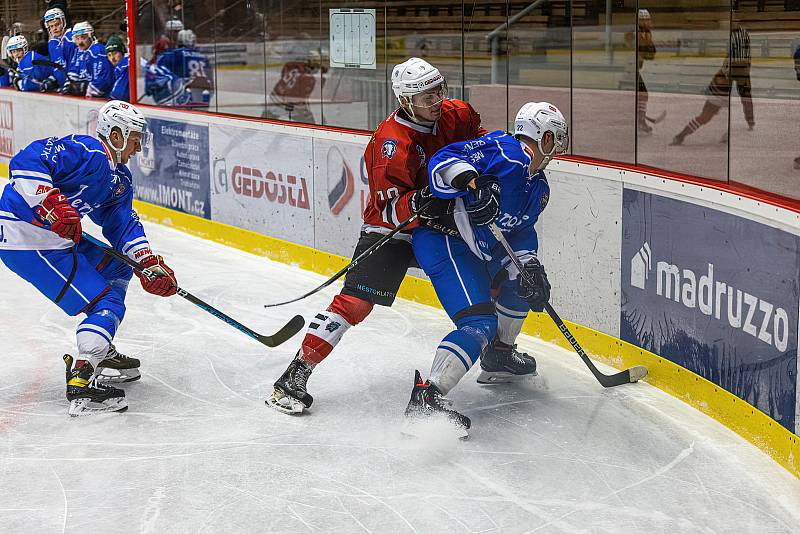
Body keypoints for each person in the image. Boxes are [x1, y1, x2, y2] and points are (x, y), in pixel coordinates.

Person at [267, 57, 503, 414]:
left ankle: (499, 352)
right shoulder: (391, 145)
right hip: (394, 228)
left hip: (442, 225)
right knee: (355, 302)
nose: (435, 101)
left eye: (438, 91)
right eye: (425, 97)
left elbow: (481, 148)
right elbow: (390, 210)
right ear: (405, 101)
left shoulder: (457, 114)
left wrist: (482, 180)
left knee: (493, 277)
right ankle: (295, 374)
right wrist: (424, 199)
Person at [0, 100, 178, 416]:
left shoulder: (118, 179)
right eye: (135, 138)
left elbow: (121, 223)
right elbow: (26, 160)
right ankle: (82, 380)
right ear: (116, 134)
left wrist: (146, 261)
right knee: (107, 304)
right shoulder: (87, 151)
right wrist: (48, 202)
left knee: (116, 265)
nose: (138, 148)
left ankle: (100, 349)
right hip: (26, 237)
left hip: (53, 237)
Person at [404, 102, 569, 435]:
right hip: (445, 240)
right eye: (556, 139)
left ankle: (499, 357)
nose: (558, 147)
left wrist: (530, 265)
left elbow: (520, 231)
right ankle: (427, 398)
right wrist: (470, 183)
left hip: (478, 248)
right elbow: (444, 161)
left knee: (523, 282)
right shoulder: (503, 150)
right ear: (545, 136)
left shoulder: (539, 187)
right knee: (479, 320)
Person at [671, 26, 753, 146]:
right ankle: (681, 136)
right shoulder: (739, 60)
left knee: (705, 116)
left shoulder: (733, 59)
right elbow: (744, 92)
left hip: (720, 86)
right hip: (721, 87)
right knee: (706, 116)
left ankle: (681, 136)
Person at [262, 50, 327, 123]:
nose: (318, 69)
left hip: (274, 97)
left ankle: (266, 117)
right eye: (318, 66)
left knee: (267, 116)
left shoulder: (293, 65)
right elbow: (296, 99)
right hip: (286, 104)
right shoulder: (309, 79)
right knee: (309, 122)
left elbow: (284, 72)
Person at [154, 29, 213, 109]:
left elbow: (160, 66)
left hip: (186, 96)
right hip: (204, 96)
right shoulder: (203, 57)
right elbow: (210, 80)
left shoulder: (176, 54)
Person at [63, 21, 113, 98]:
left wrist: (88, 92)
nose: (80, 42)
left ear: (90, 37)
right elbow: (73, 72)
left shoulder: (97, 51)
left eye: (83, 38)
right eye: (77, 38)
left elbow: (102, 80)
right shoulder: (79, 51)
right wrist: (68, 86)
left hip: (102, 98)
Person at [41, 7, 75, 91]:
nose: (54, 28)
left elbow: (75, 65)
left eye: (57, 24)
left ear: (63, 22)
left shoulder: (71, 40)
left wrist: (72, 82)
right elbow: (55, 66)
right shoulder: (52, 43)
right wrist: (52, 79)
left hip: (74, 87)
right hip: (62, 88)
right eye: (51, 26)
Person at [106, 35, 129, 102]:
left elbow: (118, 95)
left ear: (122, 52)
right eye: (109, 55)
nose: (112, 58)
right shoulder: (119, 68)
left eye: (115, 53)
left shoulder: (125, 65)